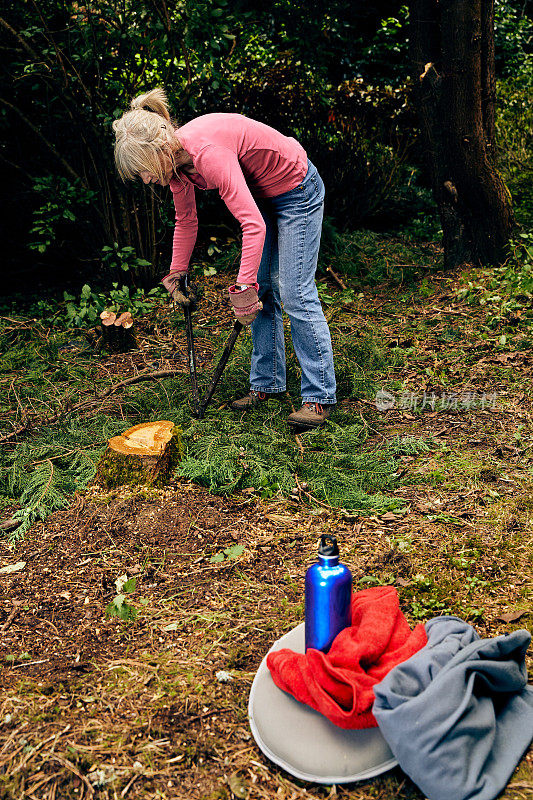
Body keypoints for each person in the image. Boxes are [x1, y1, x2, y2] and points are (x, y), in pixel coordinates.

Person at [113, 88, 336, 428]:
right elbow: (186, 221)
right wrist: (177, 272)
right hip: (263, 195)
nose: (145, 180)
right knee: (261, 293)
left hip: (296, 188)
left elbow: (252, 224)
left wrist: (244, 286)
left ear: (157, 152)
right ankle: (268, 384)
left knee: (294, 291)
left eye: (143, 171)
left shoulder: (207, 153)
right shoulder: (177, 167)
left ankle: (319, 397)